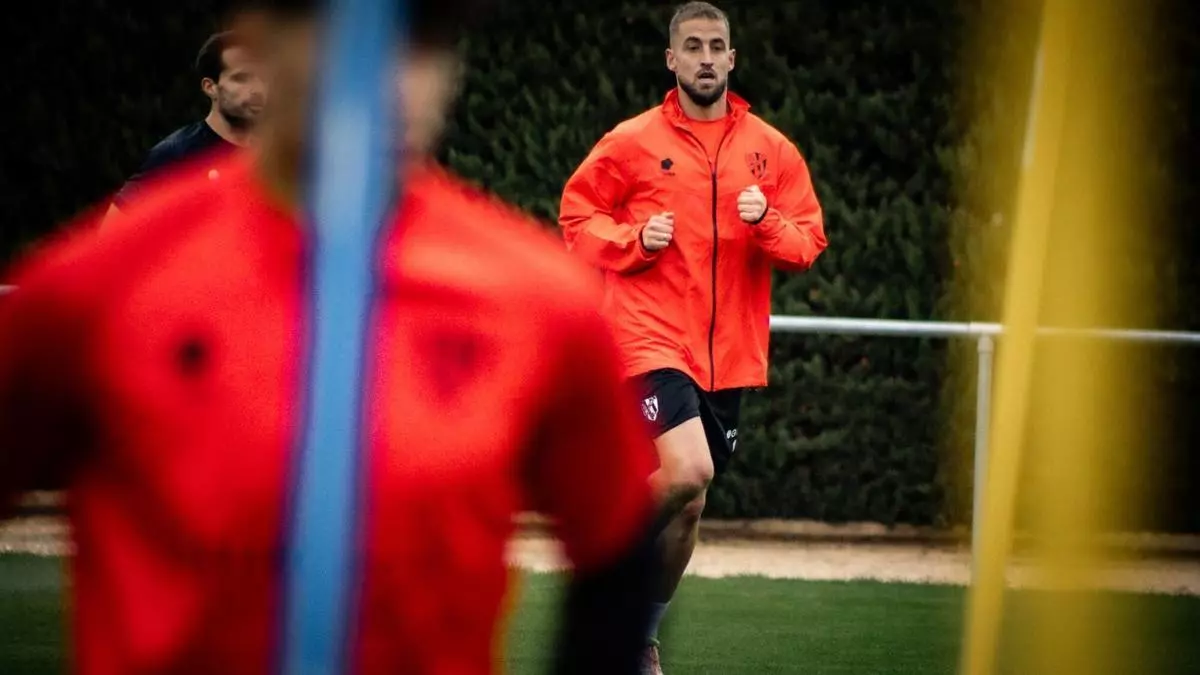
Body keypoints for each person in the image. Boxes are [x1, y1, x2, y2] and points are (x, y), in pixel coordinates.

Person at [0, 2, 659, 673]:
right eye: (338, 32)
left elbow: (618, 543)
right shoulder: (104, 284)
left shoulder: (535, 298)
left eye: (419, 42)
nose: (384, 73)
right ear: (261, 44)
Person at [558, 2, 828, 672]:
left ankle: (640, 639)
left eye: (716, 47)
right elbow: (576, 217)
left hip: (727, 359)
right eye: (693, 47)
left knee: (690, 506)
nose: (705, 58)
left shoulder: (772, 150)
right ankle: (597, 557)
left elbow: (808, 242)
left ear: (731, 59)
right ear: (671, 59)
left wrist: (766, 220)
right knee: (689, 470)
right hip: (648, 338)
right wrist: (632, 239)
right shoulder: (631, 141)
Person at [105, 29, 265, 219]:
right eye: (242, 78)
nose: (258, 89)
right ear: (210, 87)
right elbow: (114, 226)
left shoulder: (280, 156)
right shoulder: (178, 155)